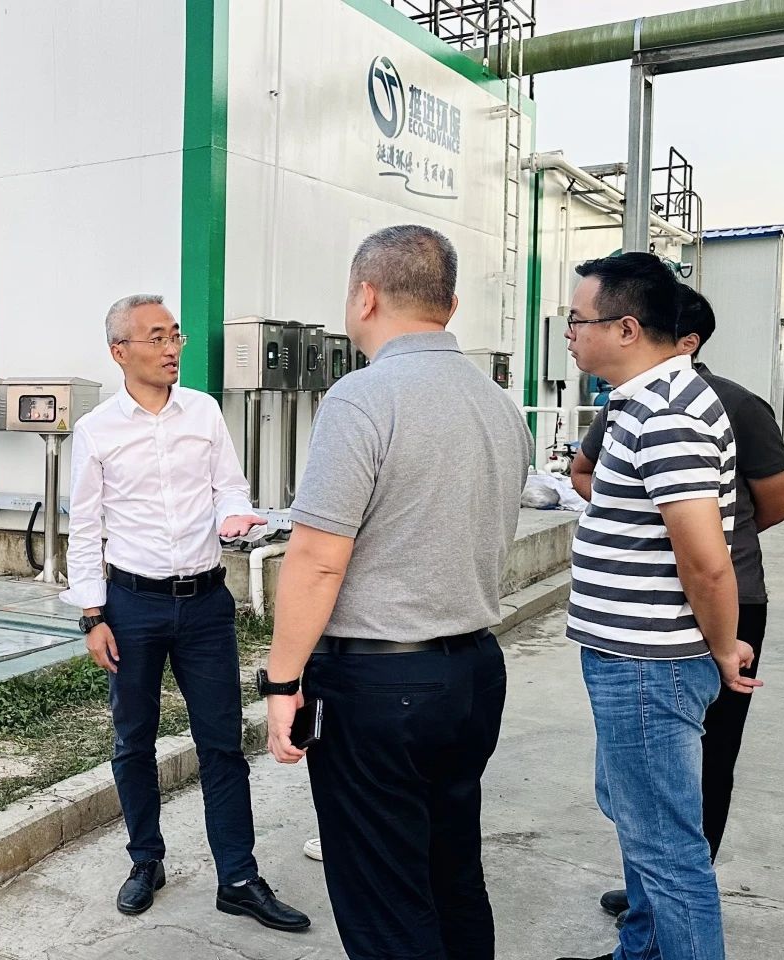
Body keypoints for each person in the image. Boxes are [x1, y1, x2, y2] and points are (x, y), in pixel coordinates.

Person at [263, 224, 532, 960]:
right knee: (452, 873)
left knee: (385, 898)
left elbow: (318, 558)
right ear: (449, 304)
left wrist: (281, 682)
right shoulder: (499, 404)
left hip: (381, 687)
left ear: (366, 295)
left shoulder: (362, 398)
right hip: (473, 674)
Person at [62, 294, 309, 932]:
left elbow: (230, 486)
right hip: (131, 605)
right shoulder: (96, 430)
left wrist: (234, 515)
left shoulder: (203, 412)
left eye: (175, 335)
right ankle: (146, 860)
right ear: (120, 351)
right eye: (157, 337)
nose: (172, 348)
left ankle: (239, 878)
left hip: (204, 604)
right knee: (133, 741)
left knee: (222, 743)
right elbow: (83, 527)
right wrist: (92, 615)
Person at [555, 253, 762, 960]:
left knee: (669, 849)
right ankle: (640, 950)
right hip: (635, 655)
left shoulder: (668, 415)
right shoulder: (641, 402)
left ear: (626, 328)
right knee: (639, 820)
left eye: (577, 321)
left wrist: (724, 644)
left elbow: (706, 558)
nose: (570, 335)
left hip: (648, 663)